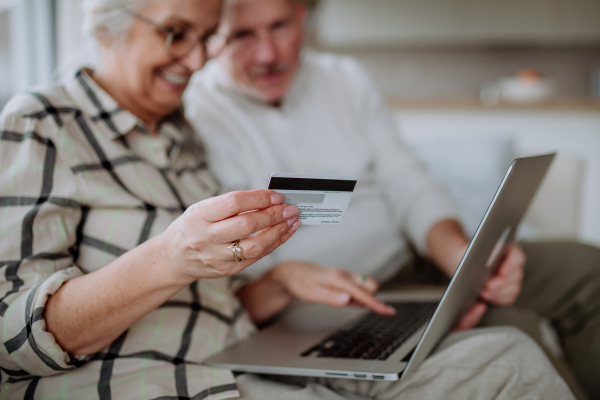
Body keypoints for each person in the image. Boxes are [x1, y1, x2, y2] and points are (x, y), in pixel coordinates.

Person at [0, 0, 575, 398]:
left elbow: (216, 304)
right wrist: (170, 256)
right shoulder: (43, 122)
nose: (197, 61)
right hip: (189, 379)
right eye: (177, 32)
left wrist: (279, 282)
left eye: (206, 37)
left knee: (507, 357)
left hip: (258, 354)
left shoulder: (180, 134)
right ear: (101, 25)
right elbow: (10, 336)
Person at [183, 0, 600, 398]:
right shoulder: (197, 116)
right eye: (241, 35)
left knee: (587, 268)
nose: (268, 54)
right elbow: (242, 273)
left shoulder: (345, 77)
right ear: (212, 36)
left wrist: (460, 256)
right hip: (339, 302)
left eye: (279, 26)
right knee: (512, 327)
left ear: (301, 15)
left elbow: (408, 182)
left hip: (417, 259)